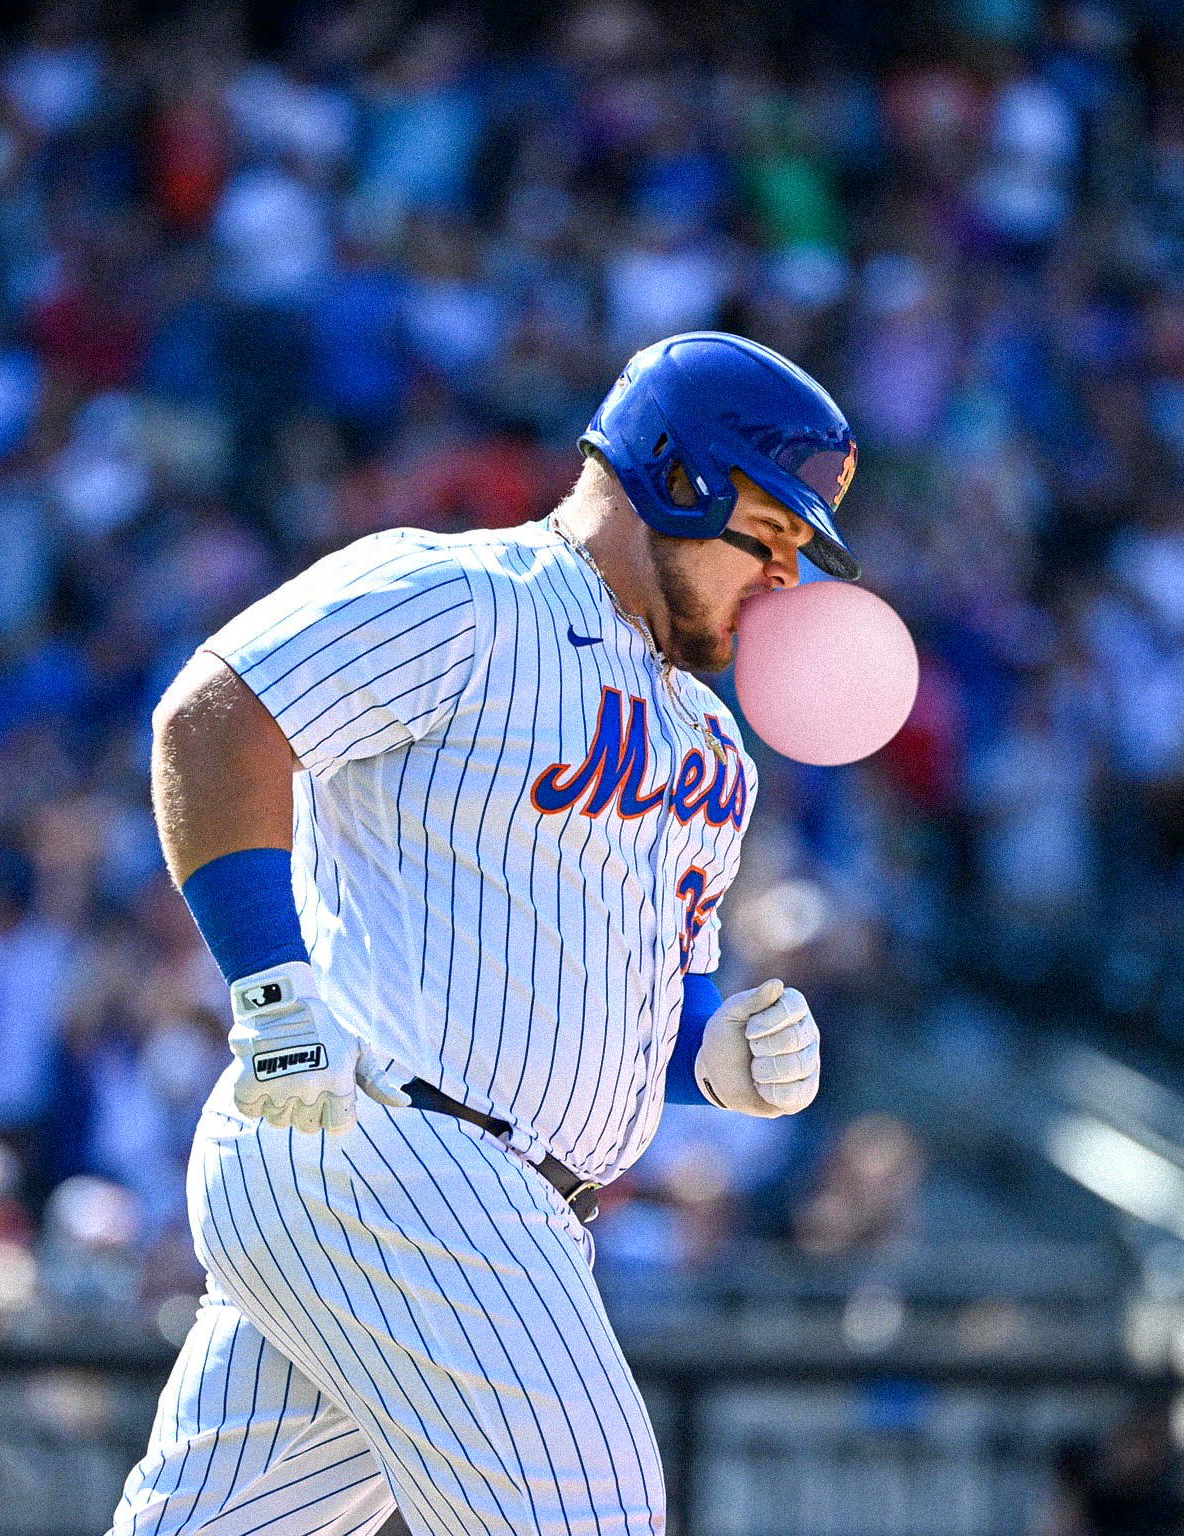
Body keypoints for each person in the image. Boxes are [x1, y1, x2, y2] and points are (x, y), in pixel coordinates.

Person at [109, 332, 850, 1534]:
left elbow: (628, 992)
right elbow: (215, 716)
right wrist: (269, 992)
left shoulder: (715, 746)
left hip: (472, 1190)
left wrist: (715, 1055)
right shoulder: (470, 596)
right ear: (678, 476)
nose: (784, 579)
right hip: (398, 1144)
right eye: (770, 534)